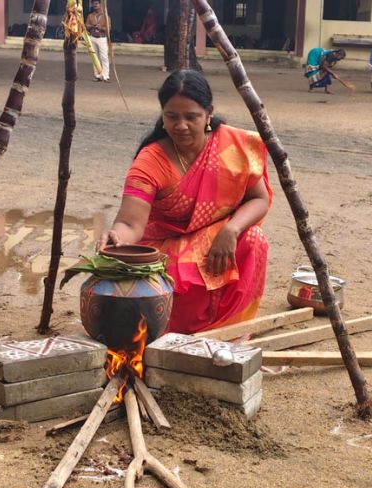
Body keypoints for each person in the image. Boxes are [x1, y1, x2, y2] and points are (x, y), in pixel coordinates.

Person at [99, 70, 272, 334]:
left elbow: (259, 198)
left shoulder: (231, 146)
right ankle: (180, 332)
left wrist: (232, 229)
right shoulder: (150, 160)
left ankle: (231, 331)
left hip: (217, 235)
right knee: (167, 275)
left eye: (191, 117)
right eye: (172, 116)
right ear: (162, 115)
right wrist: (116, 239)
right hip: (164, 243)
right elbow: (130, 223)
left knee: (254, 239)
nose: (181, 126)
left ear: (208, 113)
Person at [85, 0, 110, 82]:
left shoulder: (105, 16)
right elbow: (86, 26)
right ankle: (98, 75)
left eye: (96, 4)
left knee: (104, 57)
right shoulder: (90, 16)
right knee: (95, 57)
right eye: (93, 4)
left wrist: (101, 28)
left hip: (102, 38)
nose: (94, 5)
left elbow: (108, 29)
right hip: (92, 37)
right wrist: (92, 26)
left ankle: (105, 76)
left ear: (100, 4)